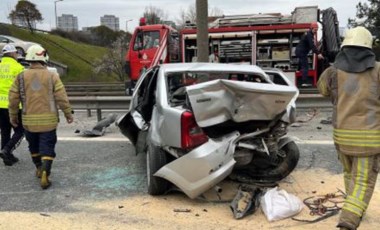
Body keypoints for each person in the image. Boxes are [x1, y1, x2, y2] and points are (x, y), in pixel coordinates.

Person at [317, 26, 378, 230]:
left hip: (341, 136)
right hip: (369, 138)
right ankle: (349, 221)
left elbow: (323, 90)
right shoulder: (378, 70)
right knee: (363, 180)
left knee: (349, 174)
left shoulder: (333, 71)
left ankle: (355, 208)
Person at [8, 44, 74, 189]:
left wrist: (13, 116)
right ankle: (46, 170)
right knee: (47, 145)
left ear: (29, 59)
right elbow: (61, 97)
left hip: (28, 121)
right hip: (49, 121)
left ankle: (38, 167)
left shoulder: (20, 77)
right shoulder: (52, 76)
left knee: (33, 146)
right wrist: (68, 113)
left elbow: (13, 99)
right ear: (44, 59)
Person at [0, 44, 24, 166]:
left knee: (5, 131)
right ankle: (7, 150)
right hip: (13, 104)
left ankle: (7, 157)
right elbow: (23, 87)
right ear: (13, 54)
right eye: (16, 53)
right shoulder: (18, 67)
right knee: (20, 130)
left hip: (0, 104)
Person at [295, 22, 324, 87]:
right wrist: (318, 54)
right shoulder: (309, 35)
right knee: (305, 66)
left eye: (317, 30)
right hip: (302, 52)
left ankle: (298, 72)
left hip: (300, 51)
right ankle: (304, 82)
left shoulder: (308, 34)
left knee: (301, 65)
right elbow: (312, 46)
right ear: (311, 28)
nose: (316, 31)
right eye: (315, 30)